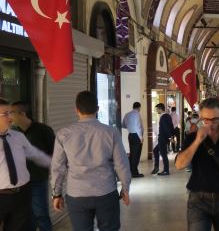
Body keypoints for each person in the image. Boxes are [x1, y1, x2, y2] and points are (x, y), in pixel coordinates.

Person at [51, 91, 131, 231]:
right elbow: (121, 164)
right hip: (106, 192)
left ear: (76, 110)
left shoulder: (63, 134)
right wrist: (125, 188)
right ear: (98, 109)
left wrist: (56, 193)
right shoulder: (111, 132)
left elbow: (58, 167)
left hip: (77, 195)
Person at [174, 97, 219, 230]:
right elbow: (179, 165)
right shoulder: (192, 137)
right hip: (198, 200)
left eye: (215, 119)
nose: (211, 124)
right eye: (206, 120)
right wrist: (197, 141)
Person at [0, 98, 51, 230]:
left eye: (11, 113)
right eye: (5, 114)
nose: (10, 117)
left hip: (23, 194)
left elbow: (37, 155)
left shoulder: (18, 137)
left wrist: (59, 165)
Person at [121, 101, 144, 178]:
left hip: (130, 135)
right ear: (139, 107)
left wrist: (130, 127)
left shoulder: (127, 114)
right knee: (136, 155)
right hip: (136, 136)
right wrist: (141, 137)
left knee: (132, 154)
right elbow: (138, 127)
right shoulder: (137, 114)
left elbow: (123, 125)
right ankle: (135, 172)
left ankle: (130, 171)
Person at [153, 103, 174, 176]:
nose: (156, 110)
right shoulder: (167, 116)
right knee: (155, 150)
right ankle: (156, 167)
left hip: (163, 138)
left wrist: (170, 137)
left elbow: (166, 128)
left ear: (160, 109)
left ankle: (166, 170)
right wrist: (171, 136)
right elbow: (171, 126)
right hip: (164, 138)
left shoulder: (164, 117)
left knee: (163, 154)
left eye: (157, 109)